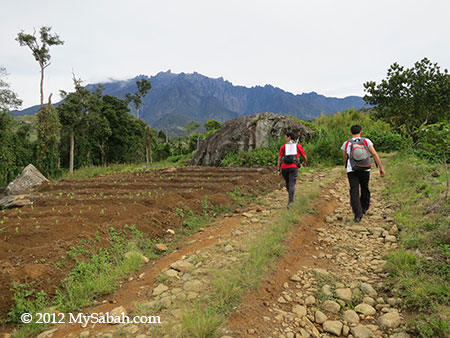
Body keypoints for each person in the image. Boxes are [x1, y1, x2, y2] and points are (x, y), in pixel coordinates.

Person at [341, 125, 385, 222]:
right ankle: (364, 208)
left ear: (350, 133)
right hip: (365, 169)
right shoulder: (366, 141)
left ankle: (358, 214)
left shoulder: (346, 143)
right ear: (361, 132)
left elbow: (345, 158)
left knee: (354, 190)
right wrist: (381, 167)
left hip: (352, 170)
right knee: (365, 187)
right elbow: (374, 154)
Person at [277, 132, 307, 209]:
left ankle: (290, 197)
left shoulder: (283, 147)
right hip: (293, 167)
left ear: (289, 137)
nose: (285, 139)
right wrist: (304, 162)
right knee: (292, 184)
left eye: (286, 137)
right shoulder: (298, 146)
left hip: (284, 168)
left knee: (288, 184)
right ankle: (290, 202)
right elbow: (304, 157)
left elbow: (279, 159)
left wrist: (279, 170)